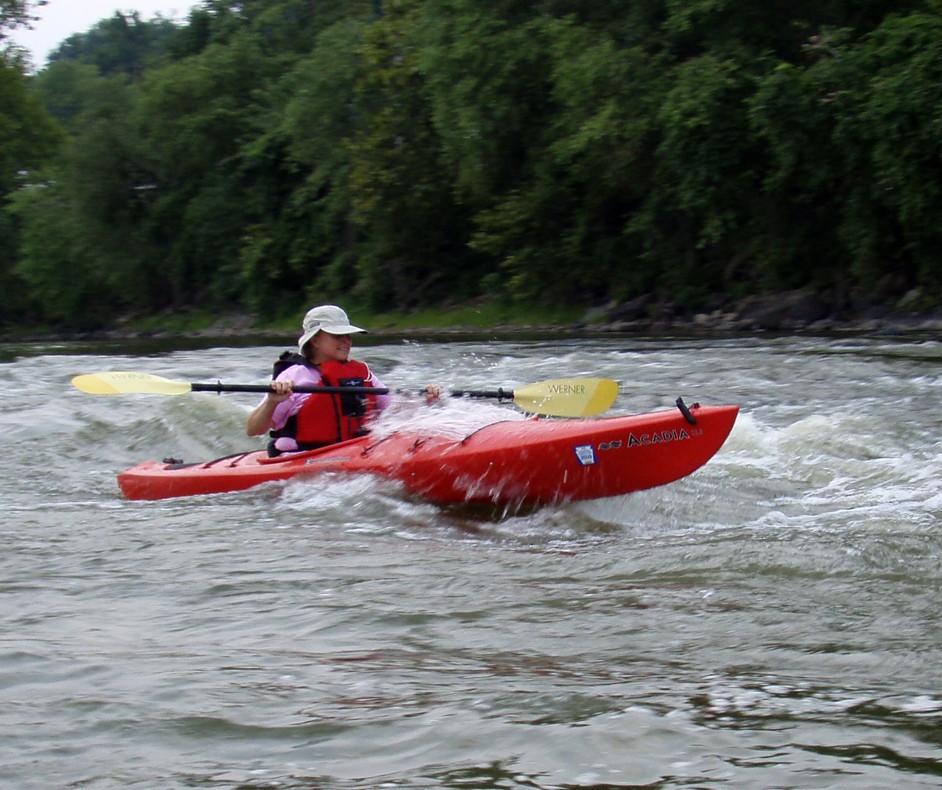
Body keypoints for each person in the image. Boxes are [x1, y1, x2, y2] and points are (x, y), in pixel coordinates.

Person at [246, 305, 392, 455]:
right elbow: (253, 429)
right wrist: (272, 402)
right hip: (303, 458)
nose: (346, 341)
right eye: (337, 336)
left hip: (355, 452)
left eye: (348, 335)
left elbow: (395, 409)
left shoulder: (362, 374)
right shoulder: (294, 377)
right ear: (315, 341)